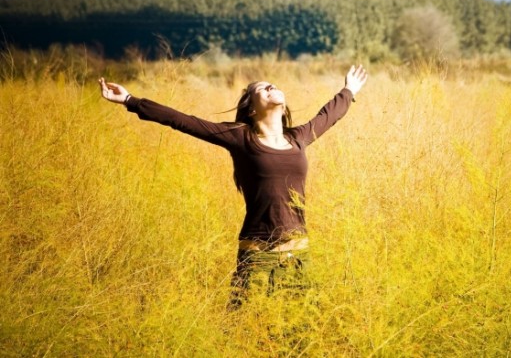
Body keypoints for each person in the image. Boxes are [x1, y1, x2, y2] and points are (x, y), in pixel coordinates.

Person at [99, 66, 367, 308]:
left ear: (284, 108)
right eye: (262, 87)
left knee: (300, 334)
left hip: (298, 257)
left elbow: (328, 115)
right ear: (252, 109)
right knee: (245, 334)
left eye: (273, 84)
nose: (271, 86)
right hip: (257, 257)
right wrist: (130, 101)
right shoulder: (241, 138)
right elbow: (182, 120)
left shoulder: (298, 138)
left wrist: (349, 91)